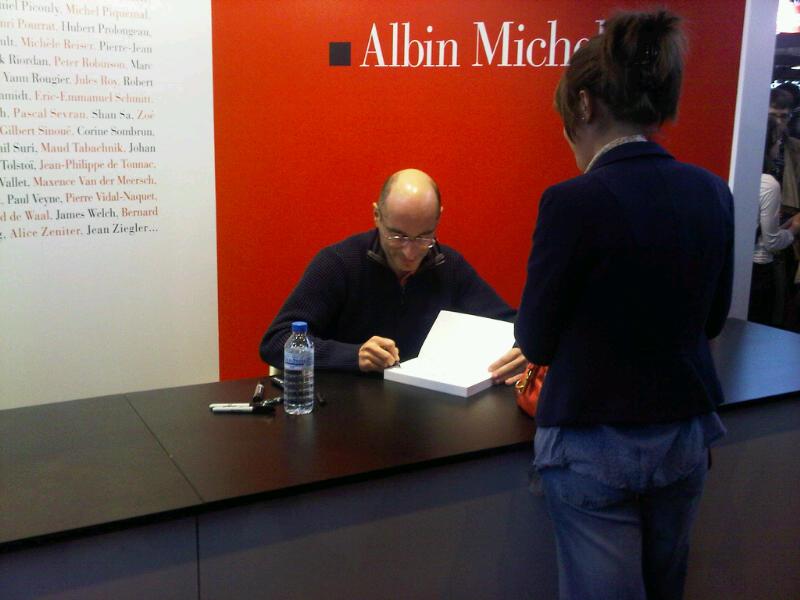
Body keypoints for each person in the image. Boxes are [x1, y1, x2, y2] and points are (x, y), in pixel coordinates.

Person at [515, 11, 733, 600]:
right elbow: (712, 321)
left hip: (593, 444)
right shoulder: (713, 192)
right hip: (683, 436)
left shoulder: (571, 202)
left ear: (584, 105)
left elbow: (534, 339)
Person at [260, 168, 526, 383]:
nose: (410, 252)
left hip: (426, 414)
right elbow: (276, 341)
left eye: (424, 237)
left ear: (438, 220)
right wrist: (354, 356)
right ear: (377, 215)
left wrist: (524, 348)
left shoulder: (448, 265)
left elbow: (509, 322)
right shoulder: (339, 263)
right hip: (343, 414)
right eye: (397, 236)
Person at [749, 117, 800, 326]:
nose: (780, 146)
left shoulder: (738, 175)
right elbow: (771, 243)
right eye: (777, 141)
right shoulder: (768, 184)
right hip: (759, 268)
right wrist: (794, 229)